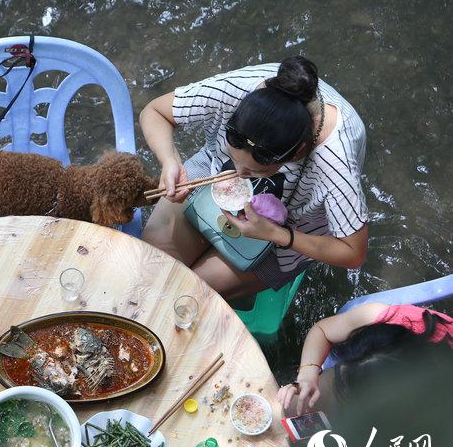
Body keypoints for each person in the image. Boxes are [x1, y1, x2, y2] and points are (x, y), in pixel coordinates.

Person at [139, 56, 369, 299]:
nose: (238, 174)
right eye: (235, 158)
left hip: (293, 225)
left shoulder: (334, 162)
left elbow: (353, 253)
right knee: (150, 270)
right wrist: (170, 161)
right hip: (210, 172)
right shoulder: (235, 91)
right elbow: (154, 112)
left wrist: (277, 235)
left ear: (298, 153)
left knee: (187, 294)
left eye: (255, 171)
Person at [276, 302, 453, 416]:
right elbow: (322, 331)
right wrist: (308, 374)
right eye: (342, 370)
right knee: (292, 407)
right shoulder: (379, 317)